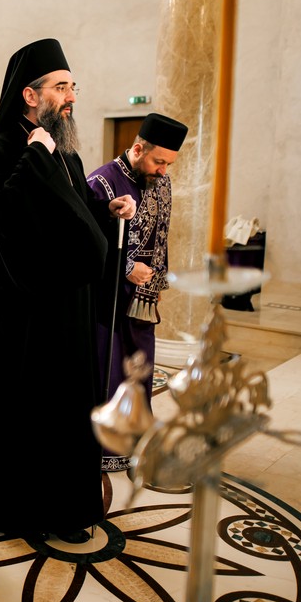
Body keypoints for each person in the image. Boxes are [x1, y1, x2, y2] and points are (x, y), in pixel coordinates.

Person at [0, 38, 135, 542]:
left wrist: (106, 213)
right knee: (32, 415)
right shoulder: (3, 148)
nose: (71, 97)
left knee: (66, 411)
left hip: (68, 308)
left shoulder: (65, 151)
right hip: (25, 316)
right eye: (61, 87)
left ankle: (66, 509)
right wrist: (37, 155)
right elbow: (1, 220)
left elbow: (74, 212)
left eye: (72, 87)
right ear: (29, 94)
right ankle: (25, 512)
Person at [88, 113, 188, 471]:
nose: (163, 170)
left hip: (143, 299)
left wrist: (156, 283)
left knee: (141, 368)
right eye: (159, 161)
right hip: (109, 297)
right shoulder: (102, 182)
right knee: (111, 369)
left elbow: (162, 234)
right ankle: (105, 449)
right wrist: (127, 268)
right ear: (137, 149)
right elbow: (89, 245)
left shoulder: (161, 181)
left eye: (169, 163)